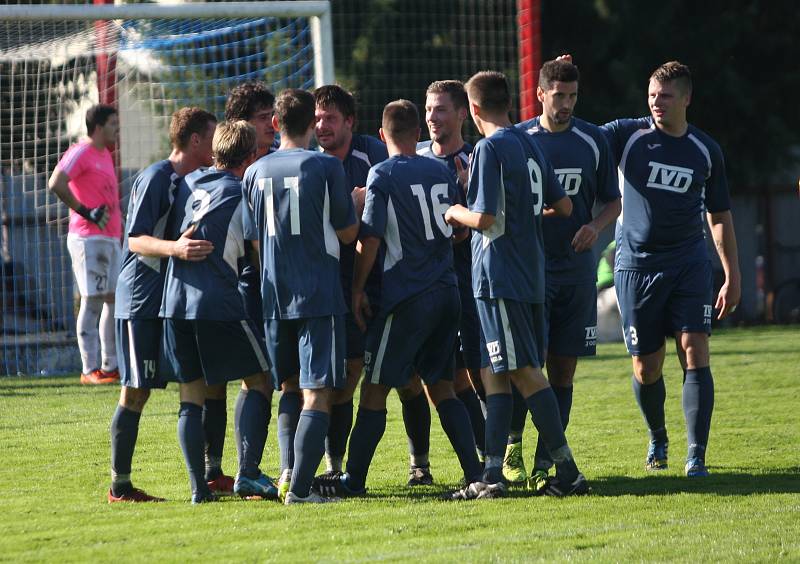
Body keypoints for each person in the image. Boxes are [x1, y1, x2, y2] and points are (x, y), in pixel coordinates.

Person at [311, 100, 483, 498]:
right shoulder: (440, 170)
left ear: (382, 134)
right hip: (447, 292)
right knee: (441, 387)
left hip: (407, 298)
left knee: (374, 388)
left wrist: (356, 289)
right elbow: (457, 230)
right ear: (418, 135)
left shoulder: (381, 174)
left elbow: (369, 238)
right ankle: (475, 476)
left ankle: (352, 480)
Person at [444, 71, 589, 498]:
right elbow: (563, 206)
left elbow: (485, 220)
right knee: (497, 372)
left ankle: (568, 471)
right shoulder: (529, 142)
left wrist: (456, 210)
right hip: (530, 271)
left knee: (525, 371)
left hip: (500, 274)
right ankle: (491, 476)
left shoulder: (489, 148)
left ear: (472, 109)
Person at [601, 60, 740, 477]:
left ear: (686, 98)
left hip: (689, 263)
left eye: (665, 96)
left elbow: (719, 217)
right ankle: (658, 437)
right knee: (647, 366)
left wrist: (732, 275)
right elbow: (577, 140)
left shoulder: (705, 150)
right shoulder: (628, 135)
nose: (656, 104)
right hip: (636, 266)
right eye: (651, 96)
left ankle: (696, 454)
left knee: (694, 350)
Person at [503, 59, 621, 489]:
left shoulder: (593, 140)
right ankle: (512, 445)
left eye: (573, 96)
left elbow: (613, 200)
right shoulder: (518, 140)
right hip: (530, 272)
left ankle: (545, 463)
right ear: (540, 94)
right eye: (559, 95)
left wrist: (595, 226)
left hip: (575, 274)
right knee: (526, 365)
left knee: (564, 370)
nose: (567, 104)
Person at [242, 88, 358, 504]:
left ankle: (289, 472)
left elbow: (252, 239)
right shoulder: (326, 167)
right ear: (312, 123)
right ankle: (303, 491)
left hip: (274, 296)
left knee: (289, 387)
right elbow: (347, 234)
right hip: (318, 294)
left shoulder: (254, 172)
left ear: (275, 124)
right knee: (318, 392)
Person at [314, 85, 433, 487]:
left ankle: (420, 462)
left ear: (349, 122)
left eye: (330, 117)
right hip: (337, 286)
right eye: (316, 117)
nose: (321, 125)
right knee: (345, 377)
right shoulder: (311, 164)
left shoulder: (375, 155)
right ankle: (335, 465)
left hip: (386, 282)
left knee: (407, 379)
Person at [161, 120, 273, 503]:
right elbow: (258, 254)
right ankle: (249, 474)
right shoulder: (243, 192)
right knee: (259, 379)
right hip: (217, 303)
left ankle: (198, 489)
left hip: (174, 303)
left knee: (190, 396)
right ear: (252, 155)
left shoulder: (189, 184)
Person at [109, 107, 217, 502]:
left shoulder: (193, 181)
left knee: (194, 385)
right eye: (211, 136)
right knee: (136, 391)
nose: (215, 143)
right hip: (140, 299)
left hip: (168, 300)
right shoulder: (157, 177)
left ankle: (205, 479)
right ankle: (120, 486)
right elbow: (135, 239)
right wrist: (176, 248)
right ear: (194, 141)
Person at [416, 80, 486, 463]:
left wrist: (468, 190)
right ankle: (479, 455)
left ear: (462, 114)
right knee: (440, 380)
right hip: (429, 289)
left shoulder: (478, 159)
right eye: (428, 110)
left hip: (471, 285)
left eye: (440, 109)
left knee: (480, 376)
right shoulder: (418, 160)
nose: (432, 117)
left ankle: (505, 451)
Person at [49, 104, 122, 385]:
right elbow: (56, 182)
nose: (117, 129)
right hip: (87, 239)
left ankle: (109, 366)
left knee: (112, 300)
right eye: (113, 123)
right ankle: (89, 369)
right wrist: (85, 211)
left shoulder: (105, 155)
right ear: (99, 127)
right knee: (92, 300)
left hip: (109, 238)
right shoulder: (81, 151)